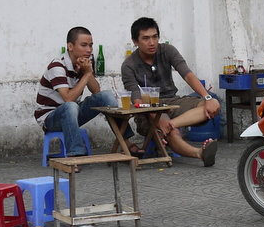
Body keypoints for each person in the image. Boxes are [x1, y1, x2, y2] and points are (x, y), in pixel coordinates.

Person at [120, 17, 219, 167]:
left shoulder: (167, 50)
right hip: (149, 110)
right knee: (173, 133)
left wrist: (207, 97)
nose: (152, 42)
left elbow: (187, 74)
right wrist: (157, 119)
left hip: (173, 102)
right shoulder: (129, 65)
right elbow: (137, 100)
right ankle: (200, 153)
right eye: (146, 38)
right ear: (135, 41)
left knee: (213, 103)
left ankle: (170, 124)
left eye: (155, 37)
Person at [35, 26, 139, 165]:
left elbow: (96, 91)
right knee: (70, 106)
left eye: (90, 45)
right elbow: (68, 98)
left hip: (73, 113)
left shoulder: (84, 63)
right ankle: (75, 156)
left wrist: (86, 72)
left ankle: (125, 143)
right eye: (84, 45)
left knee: (106, 96)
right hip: (51, 118)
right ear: (70, 46)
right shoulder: (57, 66)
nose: (89, 50)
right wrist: (87, 74)